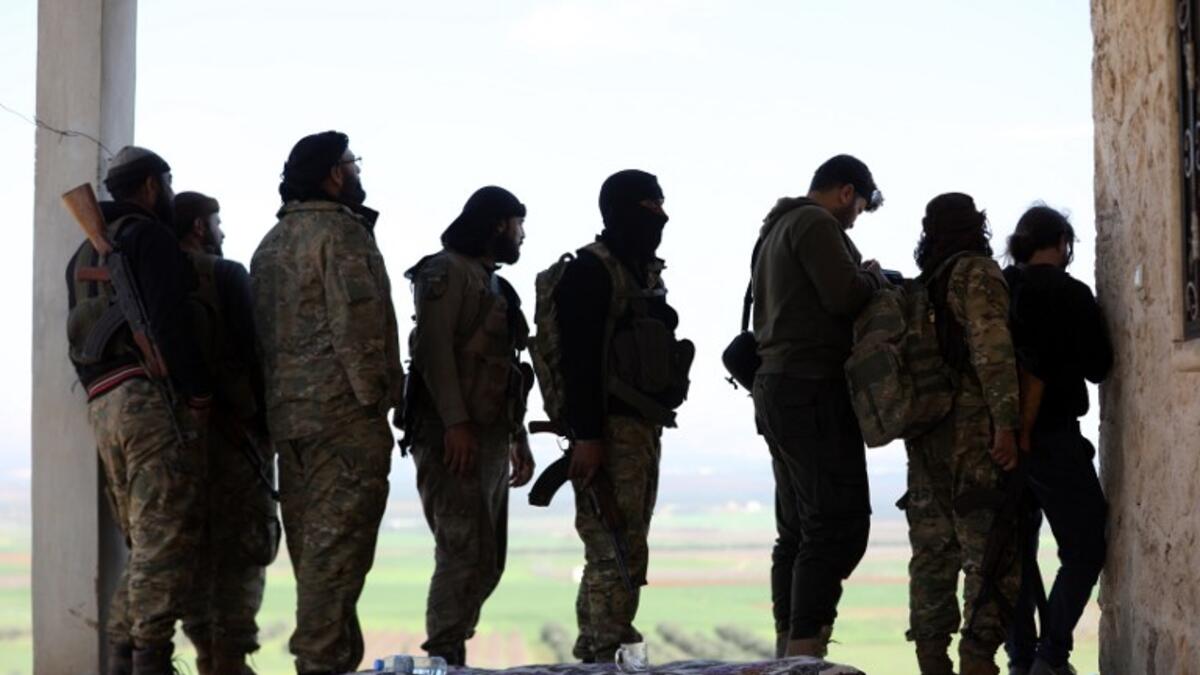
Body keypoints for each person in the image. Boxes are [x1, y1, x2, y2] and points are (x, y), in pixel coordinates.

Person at [250, 131, 404, 675]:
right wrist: (383, 402)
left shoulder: (271, 243)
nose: (357, 173)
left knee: (317, 560)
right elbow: (358, 329)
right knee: (336, 563)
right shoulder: (342, 234)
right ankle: (319, 663)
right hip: (343, 422)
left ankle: (330, 660)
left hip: (288, 425)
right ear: (335, 175)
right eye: (352, 164)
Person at [64, 146, 212, 674]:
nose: (170, 194)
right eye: (167, 183)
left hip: (103, 401)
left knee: (143, 538)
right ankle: (150, 657)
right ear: (150, 186)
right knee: (164, 536)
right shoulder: (150, 236)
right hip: (147, 401)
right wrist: (197, 394)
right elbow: (172, 324)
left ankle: (123, 656)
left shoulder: (84, 251)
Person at [750, 154, 885, 658]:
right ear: (846, 193)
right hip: (810, 388)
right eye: (860, 209)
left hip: (780, 387)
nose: (855, 219)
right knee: (837, 526)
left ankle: (788, 654)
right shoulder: (813, 222)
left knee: (799, 530)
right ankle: (806, 655)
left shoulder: (777, 228)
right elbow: (844, 295)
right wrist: (872, 277)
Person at [557, 170, 691, 663]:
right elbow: (579, 361)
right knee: (611, 550)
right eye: (650, 205)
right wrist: (587, 436)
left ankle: (602, 649)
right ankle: (599, 652)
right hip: (608, 431)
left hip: (640, 427)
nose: (661, 215)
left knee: (628, 549)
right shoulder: (591, 271)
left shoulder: (641, 271)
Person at [404, 186, 536, 666]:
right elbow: (434, 351)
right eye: (519, 225)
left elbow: (504, 368)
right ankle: (443, 657)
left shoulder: (493, 283)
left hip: (490, 435)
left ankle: (452, 647)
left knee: (486, 560)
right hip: (451, 435)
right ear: (500, 223)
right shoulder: (445, 271)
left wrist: (517, 435)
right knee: (461, 551)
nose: (523, 236)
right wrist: (455, 424)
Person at [903, 193, 1021, 675]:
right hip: (972, 433)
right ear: (978, 225)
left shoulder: (919, 286)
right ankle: (977, 660)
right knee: (991, 548)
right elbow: (992, 350)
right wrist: (1007, 424)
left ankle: (931, 660)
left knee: (932, 554)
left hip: (925, 432)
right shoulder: (975, 272)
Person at [1001, 206, 1111, 675]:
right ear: (1063, 243)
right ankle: (1050, 657)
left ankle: (1023, 659)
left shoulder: (1001, 291)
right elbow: (1098, 365)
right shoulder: (1071, 294)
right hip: (1055, 439)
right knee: (1085, 546)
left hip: (1002, 442)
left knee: (1017, 554)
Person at [173, 191, 279, 674]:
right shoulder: (226, 274)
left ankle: (206, 655)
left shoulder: (151, 275)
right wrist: (264, 424)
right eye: (216, 222)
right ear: (198, 226)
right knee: (243, 545)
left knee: (192, 546)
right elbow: (254, 355)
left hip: (175, 441)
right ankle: (229, 659)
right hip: (236, 437)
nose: (221, 232)